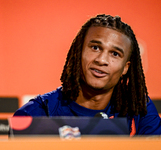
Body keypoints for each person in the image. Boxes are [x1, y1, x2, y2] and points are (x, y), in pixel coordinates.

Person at [14, 14, 161, 135]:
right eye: (95, 47)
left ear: (125, 68)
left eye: (115, 54)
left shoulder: (139, 111)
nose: (102, 60)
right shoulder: (36, 113)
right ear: (79, 52)